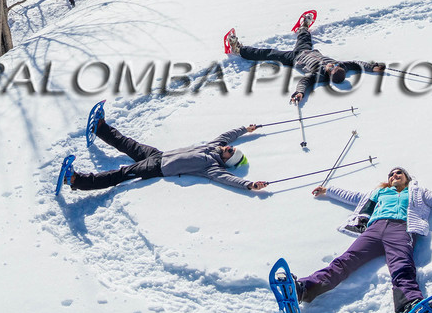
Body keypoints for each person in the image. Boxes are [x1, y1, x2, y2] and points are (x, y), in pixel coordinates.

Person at [293, 168, 432, 313]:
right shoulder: (378, 194)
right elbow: (352, 197)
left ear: (406, 178)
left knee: (401, 265)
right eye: (392, 174)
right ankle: (304, 289)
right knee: (345, 261)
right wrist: (328, 190)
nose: (395, 175)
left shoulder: (416, 192)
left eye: (399, 173)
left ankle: (410, 303)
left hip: (401, 229)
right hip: (374, 229)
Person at [68, 112, 269, 193]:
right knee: (129, 144)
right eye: (231, 148)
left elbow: (228, 180)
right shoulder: (214, 146)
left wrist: (249, 185)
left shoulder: (212, 168)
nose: (228, 147)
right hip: (159, 155)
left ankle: (78, 181)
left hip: (158, 167)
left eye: (230, 151)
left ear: (228, 160)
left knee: (120, 174)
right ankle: (101, 128)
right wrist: (246, 129)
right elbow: (227, 135)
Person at [228, 14, 385, 105]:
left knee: (268, 53)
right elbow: (357, 64)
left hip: (294, 58)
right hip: (306, 51)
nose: (332, 64)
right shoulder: (340, 66)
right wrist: (372, 67)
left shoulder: (319, 74)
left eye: (332, 68)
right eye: (335, 65)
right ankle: (303, 27)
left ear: (329, 73)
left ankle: (238, 49)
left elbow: (305, 82)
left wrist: (300, 93)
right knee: (305, 39)